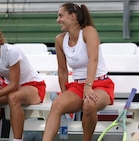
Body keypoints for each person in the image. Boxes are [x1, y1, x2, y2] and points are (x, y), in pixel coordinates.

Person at [42, 2, 115, 141]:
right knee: (57, 104)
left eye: (60, 16)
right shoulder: (59, 39)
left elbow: (93, 60)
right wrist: (65, 95)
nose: (58, 20)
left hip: (101, 84)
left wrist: (88, 86)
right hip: (77, 87)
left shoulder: (89, 31)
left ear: (73, 16)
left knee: (89, 103)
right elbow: (62, 71)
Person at [0, 23, 46, 141]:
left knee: (13, 97)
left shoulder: (12, 52)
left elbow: (14, 85)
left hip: (34, 87)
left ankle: (17, 140)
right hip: (10, 88)